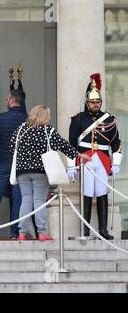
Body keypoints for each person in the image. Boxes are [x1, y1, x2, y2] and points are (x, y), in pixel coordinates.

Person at [9, 105, 89, 241]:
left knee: (26, 200)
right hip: (40, 171)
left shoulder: (21, 129)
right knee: (39, 200)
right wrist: (79, 155)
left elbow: (12, 146)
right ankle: (41, 233)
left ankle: (21, 233)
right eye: (48, 115)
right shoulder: (48, 131)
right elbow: (63, 145)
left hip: (22, 171)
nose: (50, 118)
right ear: (44, 116)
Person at [67, 73, 123, 240]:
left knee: (102, 192)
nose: (96, 104)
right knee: (87, 192)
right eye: (93, 102)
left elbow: (116, 143)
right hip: (86, 159)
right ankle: (85, 230)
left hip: (103, 160)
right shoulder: (78, 119)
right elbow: (71, 144)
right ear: (87, 102)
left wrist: (116, 163)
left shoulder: (109, 119)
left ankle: (103, 230)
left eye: (98, 102)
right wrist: (71, 165)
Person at [0, 80, 27, 239]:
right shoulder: (28, 119)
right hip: (20, 165)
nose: (6, 100)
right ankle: (14, 233)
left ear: (13, 100)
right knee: (17, 200)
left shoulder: (1, 118)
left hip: (3, 163)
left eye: (8, 98)